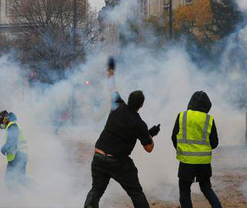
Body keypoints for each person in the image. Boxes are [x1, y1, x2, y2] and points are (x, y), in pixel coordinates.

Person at [84, 57, 160, 208]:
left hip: (99, 156)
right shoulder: (138, 123)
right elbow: (149, 148)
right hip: (117, 162)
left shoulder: (117, 105)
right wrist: (151, 135)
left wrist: (111, 69)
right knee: (135, 192)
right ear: (141, 105)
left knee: (96, 190)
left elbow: (110, 86)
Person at [171, 91, 222, 208]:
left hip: (186, 161)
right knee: (206, 188)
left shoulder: (182, 116)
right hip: (203, 162)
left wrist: (181, 150)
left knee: (184, 191)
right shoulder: (209, 119)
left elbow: (174, 137)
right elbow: (214, 143)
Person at [0, 111, 29, 191]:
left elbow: (12, 140)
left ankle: (18, 199)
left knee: (9, 180)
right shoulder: (12, 125)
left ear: (6, 118)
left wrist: (4, 148)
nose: (0, 122)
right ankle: (40, 190)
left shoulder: (12, 125)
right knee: (21, 179)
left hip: (17, 155)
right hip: (21, 155)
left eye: (1, 119)